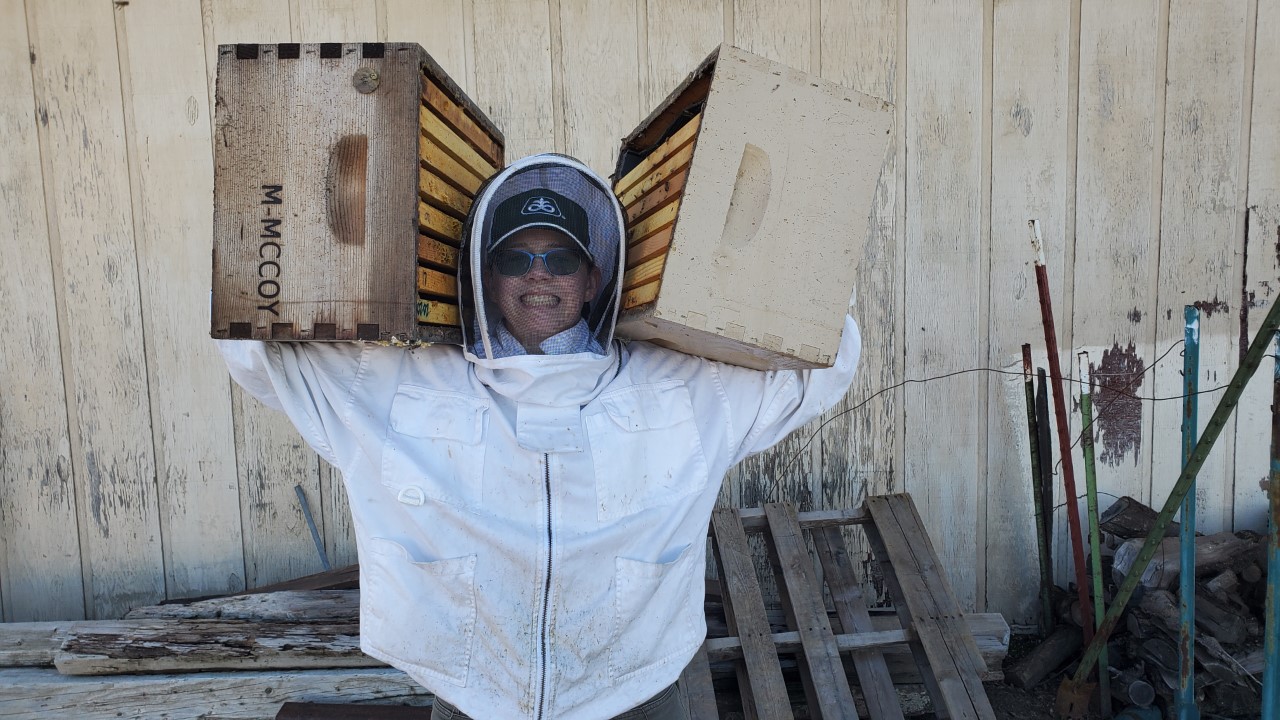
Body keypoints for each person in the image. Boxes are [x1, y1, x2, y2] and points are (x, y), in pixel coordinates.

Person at [218, 153, 861, 719]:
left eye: (560, 259)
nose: (538, 276)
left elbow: (825, 358)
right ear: (486, 275)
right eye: (514, 259)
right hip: (472, 698)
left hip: (636, 695)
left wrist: (765, 257)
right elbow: (254, 345)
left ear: (593, 277)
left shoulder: (683, 387)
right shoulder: (399, 383)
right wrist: (289, 204)